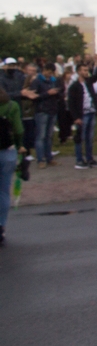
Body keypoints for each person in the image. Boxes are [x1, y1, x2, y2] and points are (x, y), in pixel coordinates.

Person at [0, 88, 23, 247]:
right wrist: (20, 145)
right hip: (7, 152)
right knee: (3, 191)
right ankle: (1, 226)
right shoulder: (11, 106)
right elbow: (19, 130)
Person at [67, 66, 97, 169]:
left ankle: (89, 158)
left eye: (87, 70)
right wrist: (76, 117)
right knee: (80, 137)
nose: (86, 72)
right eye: (84, 70)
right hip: (82, 114)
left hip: (91, 112)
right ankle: (79, 160)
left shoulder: (88, 83)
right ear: (79, 72)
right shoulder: (74, 86)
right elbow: (71, 103)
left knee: (89, 138)